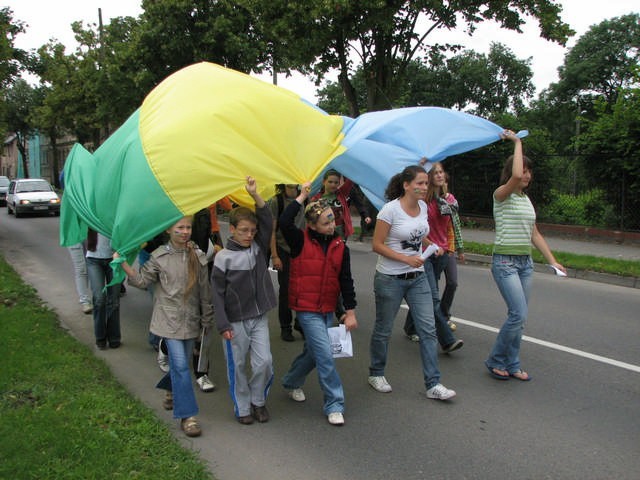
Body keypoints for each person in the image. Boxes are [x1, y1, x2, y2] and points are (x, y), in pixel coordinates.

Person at [116, 216, 213, 437]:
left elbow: (205, 292)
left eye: (188, 227)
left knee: (182, 366)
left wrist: (207, 320)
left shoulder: (197, 257)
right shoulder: (159, 257)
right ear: (169, 229)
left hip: (191, 321)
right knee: (179, 365)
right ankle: (187, 416)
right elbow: (141, 281)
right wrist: (123, 263)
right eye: (180, 227)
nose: (185, 231)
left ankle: (170, 391)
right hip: (167, 322)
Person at [368, 165, 456, 401]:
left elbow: (418, 234)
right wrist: (405, 258)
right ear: (406, 185)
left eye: (426, 183)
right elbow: (377, 244)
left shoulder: (424, 207)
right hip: (390, 279)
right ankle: (376, 372)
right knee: (383, 329)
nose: (424, 187)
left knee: (428, 330)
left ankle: (433, 383)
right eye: (419, 183)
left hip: (417, 279)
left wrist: (431, 245)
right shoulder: (390, 210)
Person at [485, 130, 566, 381]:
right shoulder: (502, 194)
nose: (527, 175)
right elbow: (516, 174)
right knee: (518, 314)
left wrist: (552, 261)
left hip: (525, 263)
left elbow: (535, 234)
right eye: (524, 170)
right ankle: (496, 360)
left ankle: (513, 363)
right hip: (505, 262)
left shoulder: (525, 200)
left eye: (530, 171)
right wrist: (517, 142)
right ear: (511, 172)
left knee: (519, 317)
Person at [280, 182, 358, 426]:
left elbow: (346, 281)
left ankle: (291, 381)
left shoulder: (340, 247)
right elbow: (284, 222)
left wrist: (350, 312)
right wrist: (302, 197)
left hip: (326, 309)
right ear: (311, 225)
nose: (331, 224)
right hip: (306, 309)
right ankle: (334, 403)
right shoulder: (299, 241)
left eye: (332, 219)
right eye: (325, 222)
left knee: (314, 353)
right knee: (325, 354)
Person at [212, 177, 276, 425]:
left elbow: (268, 220)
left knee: (265, 362)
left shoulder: (259, 248)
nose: (249, 235)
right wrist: (223, 324)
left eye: (252, 231)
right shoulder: (223, 258)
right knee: (237, 365)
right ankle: (243, 407)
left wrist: (255, 195)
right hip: (234, 321)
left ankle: (258, 401)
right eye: (243, 231)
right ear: (232, 230)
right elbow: (216, 293)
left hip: (258, 316)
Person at [402, 162, 464, 354]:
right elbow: (417, 227)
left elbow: (453, 222)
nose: (439, 175)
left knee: (427, 292)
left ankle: (410, 326)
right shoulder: (422, 201)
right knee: (432, 297)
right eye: (434, 172)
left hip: (442, 253)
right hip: (425, 253)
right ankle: (447, 340)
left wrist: (455, 247)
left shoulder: (448, 199)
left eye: (441, 172)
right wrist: (430, 244)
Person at [268, 183, 306, 341]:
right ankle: (285, 326)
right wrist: (275, 255)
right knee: (286, 289)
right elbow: (272, 230)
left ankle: (301, 322)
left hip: (301, 249)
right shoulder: (277, 201)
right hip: (283, 249)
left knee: (302, 289)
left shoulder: (305, 196)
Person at [311, 169, 371, 242]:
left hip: (340, 231)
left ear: (339, 183)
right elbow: (312, 218)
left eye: (336, 182)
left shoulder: (341, 194)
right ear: (324, 182)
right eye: (330, 182)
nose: (333, 185)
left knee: (339, 251)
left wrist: (365, 215)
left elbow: (350, 180)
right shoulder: (317, 198)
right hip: (323, 232)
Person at [86, 230, 121, 350]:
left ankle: (114, 338)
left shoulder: (116, 212)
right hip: (94, 258)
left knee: (114, 300)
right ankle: (100, 337)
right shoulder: (91, 212)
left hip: (114, 258)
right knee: (99, 299)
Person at [441, 174, 464, 331]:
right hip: (433, 247)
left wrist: (460, 248)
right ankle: (412, 325)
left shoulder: (451, 201)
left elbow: (455, 224)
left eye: (444, 181)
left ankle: (443, 315)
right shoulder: (429, 200)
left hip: (448, 246)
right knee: (429, 291)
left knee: (452, 282)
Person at [67, 242, 93, 314]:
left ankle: (99, 298)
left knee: (95, 264)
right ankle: (85, 301)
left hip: (92, 234)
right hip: (74, 237)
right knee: (81, 269)